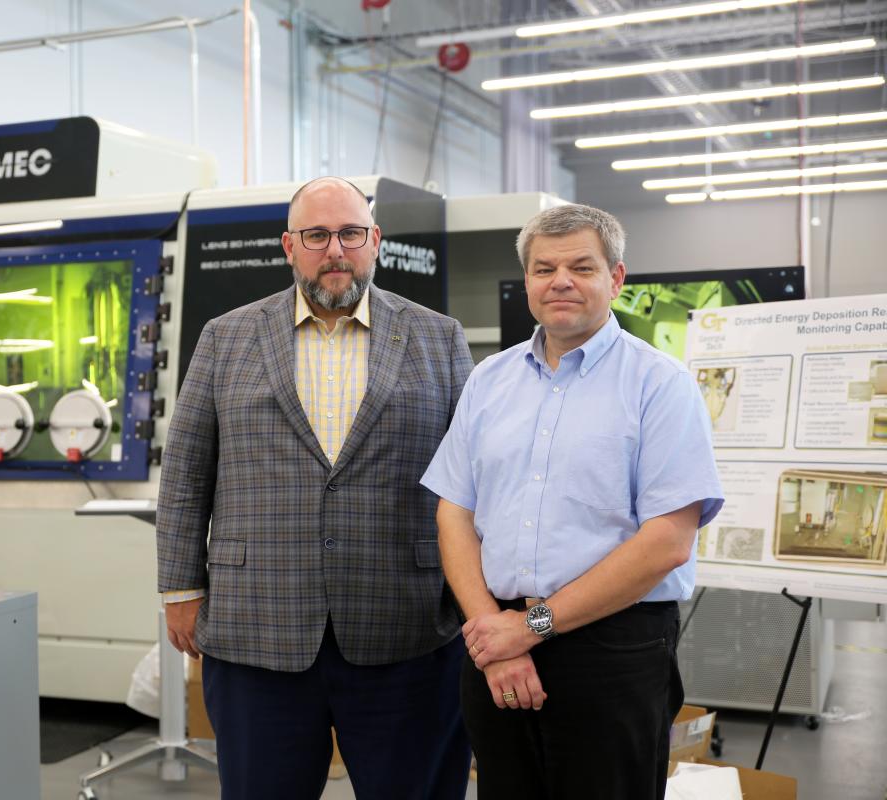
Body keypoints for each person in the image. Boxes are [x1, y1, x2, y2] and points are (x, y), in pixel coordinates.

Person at [157, 176, 474, 799]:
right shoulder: (226, 337)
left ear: (375, 241)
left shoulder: (438, 337)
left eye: (350, 233)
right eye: (317, 235)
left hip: (405, 625)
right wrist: (180, 588)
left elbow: (472, 477)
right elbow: (187, 472)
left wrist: (477, 601)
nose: (335, 249)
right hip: (258, 627)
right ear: (288, 246)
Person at [421, 203, 724, 800]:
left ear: (616, 278)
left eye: (581, 267)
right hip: (495, 643)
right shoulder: (489, 381)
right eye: (543, 268)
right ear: (528, 282)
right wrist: (491, 631)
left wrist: (529, 629)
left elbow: (667, 542)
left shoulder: (660, 385)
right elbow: (454, 511)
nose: (560, 280)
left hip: (611, 648)